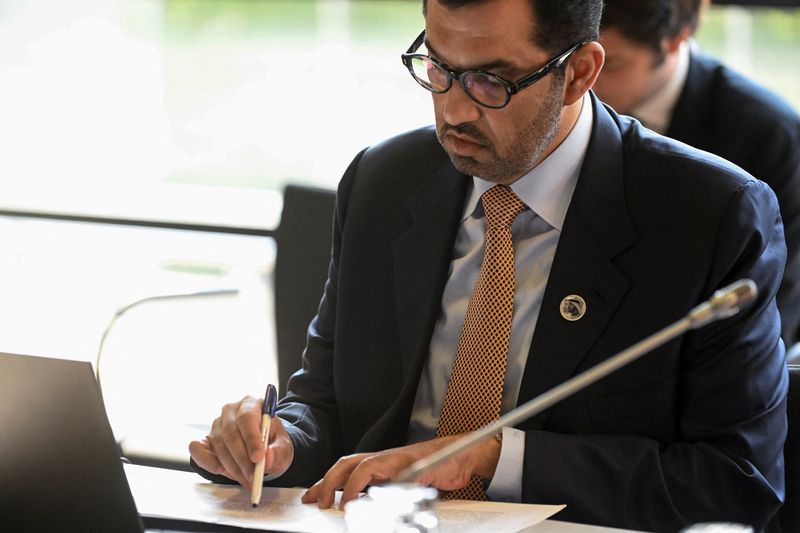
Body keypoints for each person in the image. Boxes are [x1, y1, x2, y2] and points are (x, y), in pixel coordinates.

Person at [189, 0, 789, 530]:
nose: (453, 112)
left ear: (579, 72)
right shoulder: (383, 181)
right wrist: (282, 440)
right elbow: (326, 402)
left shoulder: (709, 215)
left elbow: (737, 482)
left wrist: (493, 457)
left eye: (489, 81)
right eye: (439, 68)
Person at [594, 0, 800, 346]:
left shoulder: (768, 135)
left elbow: (779, 295)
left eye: (610, 64)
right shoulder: (573, 106)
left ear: (677, 37)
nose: (586, 82)